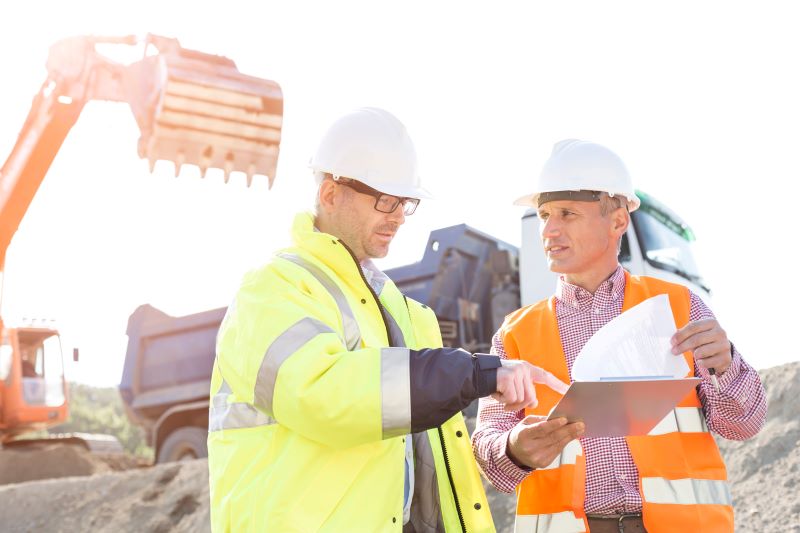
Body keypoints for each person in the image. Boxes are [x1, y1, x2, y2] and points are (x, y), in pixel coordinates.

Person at [207, 107, 563, 532]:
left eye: (404, 203)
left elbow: (427, 455)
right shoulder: (273, 288)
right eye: (385, 200)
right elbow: (324, 396)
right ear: (331, 194)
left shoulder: (403, 311)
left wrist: (512, 447)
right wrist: (475, 373)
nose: (397, 216)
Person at [471, 139, 767, 533]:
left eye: (567, 213)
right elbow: (488, 451)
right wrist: (513, 449)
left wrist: (726, 366)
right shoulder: (515, 334)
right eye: (543, 215)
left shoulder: (678, 307)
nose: (549, 230)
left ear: (617, 222)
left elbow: (742, 425)